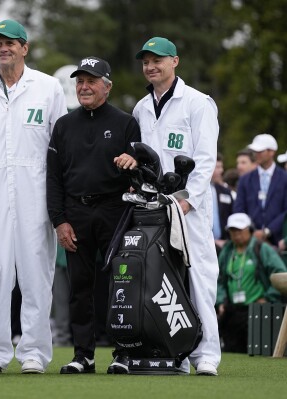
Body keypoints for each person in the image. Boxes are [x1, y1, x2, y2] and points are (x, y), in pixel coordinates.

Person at [0, 19, 67, 374]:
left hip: (36, 195)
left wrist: (58, 203)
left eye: (10, 43)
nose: (3, 48)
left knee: (36, 276)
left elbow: (60, 151)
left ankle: (34, 351)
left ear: (25, 47)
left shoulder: (48, 88)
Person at [116, 37, 221, 376]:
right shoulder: (140, 108)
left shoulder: (198, 103)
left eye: (157, 60)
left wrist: (188, 198)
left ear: (175, 61)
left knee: (198, 276)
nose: (151, 66)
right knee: (160, 278)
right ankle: (171, 349)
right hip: (151, 208)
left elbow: (205, 160)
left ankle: (206, 355)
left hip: (188, 207)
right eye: (146, 61)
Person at [47, 56, 140, 374]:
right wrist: (59, 220)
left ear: (107, 86)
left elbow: (140, 172)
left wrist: (135, 161)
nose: (84, 87)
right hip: (76, 212)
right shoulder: (63, 125)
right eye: (80, 81)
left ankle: (123, 353)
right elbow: (54, 178)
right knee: (80, 287)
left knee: (122, 283)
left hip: (116, 210)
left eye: (91, 81)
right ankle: (83, 354)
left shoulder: (125, 122)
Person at [217, 213, 287, 353]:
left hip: (257, 311)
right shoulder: (226, 252)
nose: (236, 234)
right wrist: (221, 301)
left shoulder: (262, 249)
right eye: (232, 231)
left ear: (249, 230)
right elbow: (218, 280)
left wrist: (267, 298)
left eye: (240, 230)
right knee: (232, 352)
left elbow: (281, 274)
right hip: (232, 311)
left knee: (255, 351)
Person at [234, 134, 287, 246]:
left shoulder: (284, 178)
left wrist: (268, 231)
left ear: (271, 152)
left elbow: (285, 211)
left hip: (278, 241)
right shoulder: (245, 180)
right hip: (250, 241)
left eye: (260, 151)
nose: (256, 154)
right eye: (254, 151)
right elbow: (239, 208)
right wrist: (251, 230)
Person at [211, 153, 233, 251]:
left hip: (224, 244)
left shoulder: (226, 191)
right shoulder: (196, 192)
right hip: (203, 243)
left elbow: (232, 215)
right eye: (217, 167)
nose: (221, 170)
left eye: (221, 167)